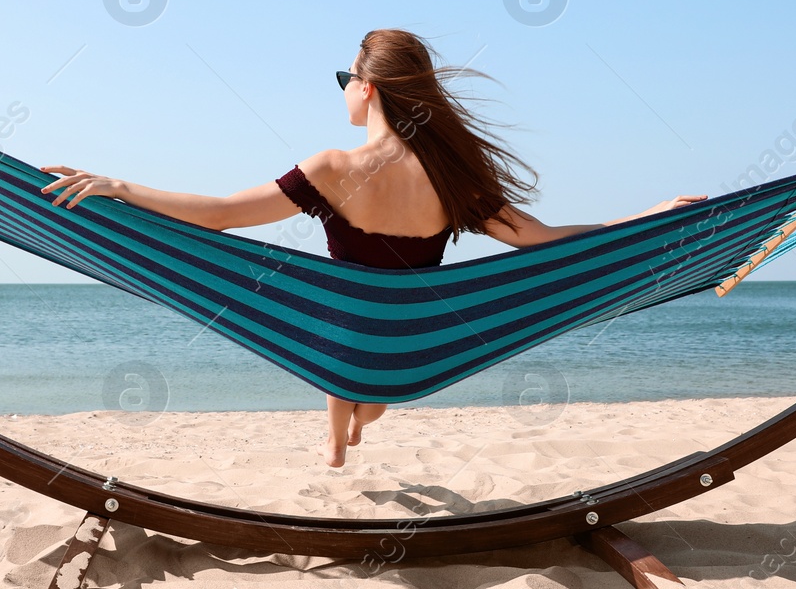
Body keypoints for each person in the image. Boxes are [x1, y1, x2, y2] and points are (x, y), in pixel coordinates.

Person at [40, 29, 705, 467]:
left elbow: (218, 217)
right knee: (365, 344)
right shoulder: (454, 177)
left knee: (338, 310)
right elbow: (547, 241)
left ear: (370, 86)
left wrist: (120, 185)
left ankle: (336, 439)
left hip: (339, 345)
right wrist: (645, 218)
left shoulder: (333, 166)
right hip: (408, 360)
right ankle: (349, 431)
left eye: (345, 78)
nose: (344, 90)